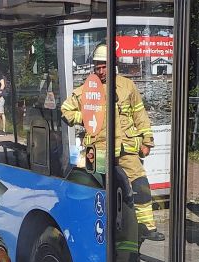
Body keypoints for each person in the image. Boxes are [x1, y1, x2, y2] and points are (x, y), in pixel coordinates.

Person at [61, 43, 162, 242]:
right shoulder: (85, 91)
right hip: (99, 149)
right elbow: (65, 111)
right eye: (97, 66)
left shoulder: (127, 86)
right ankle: (97, 227)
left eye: (104, 66)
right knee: (95, 190)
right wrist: (85, 116)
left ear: (112, 64)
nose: (100, 70)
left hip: (126, 148)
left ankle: (146, 227)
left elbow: (140, 114)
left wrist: (147, 141)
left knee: (140, 185)